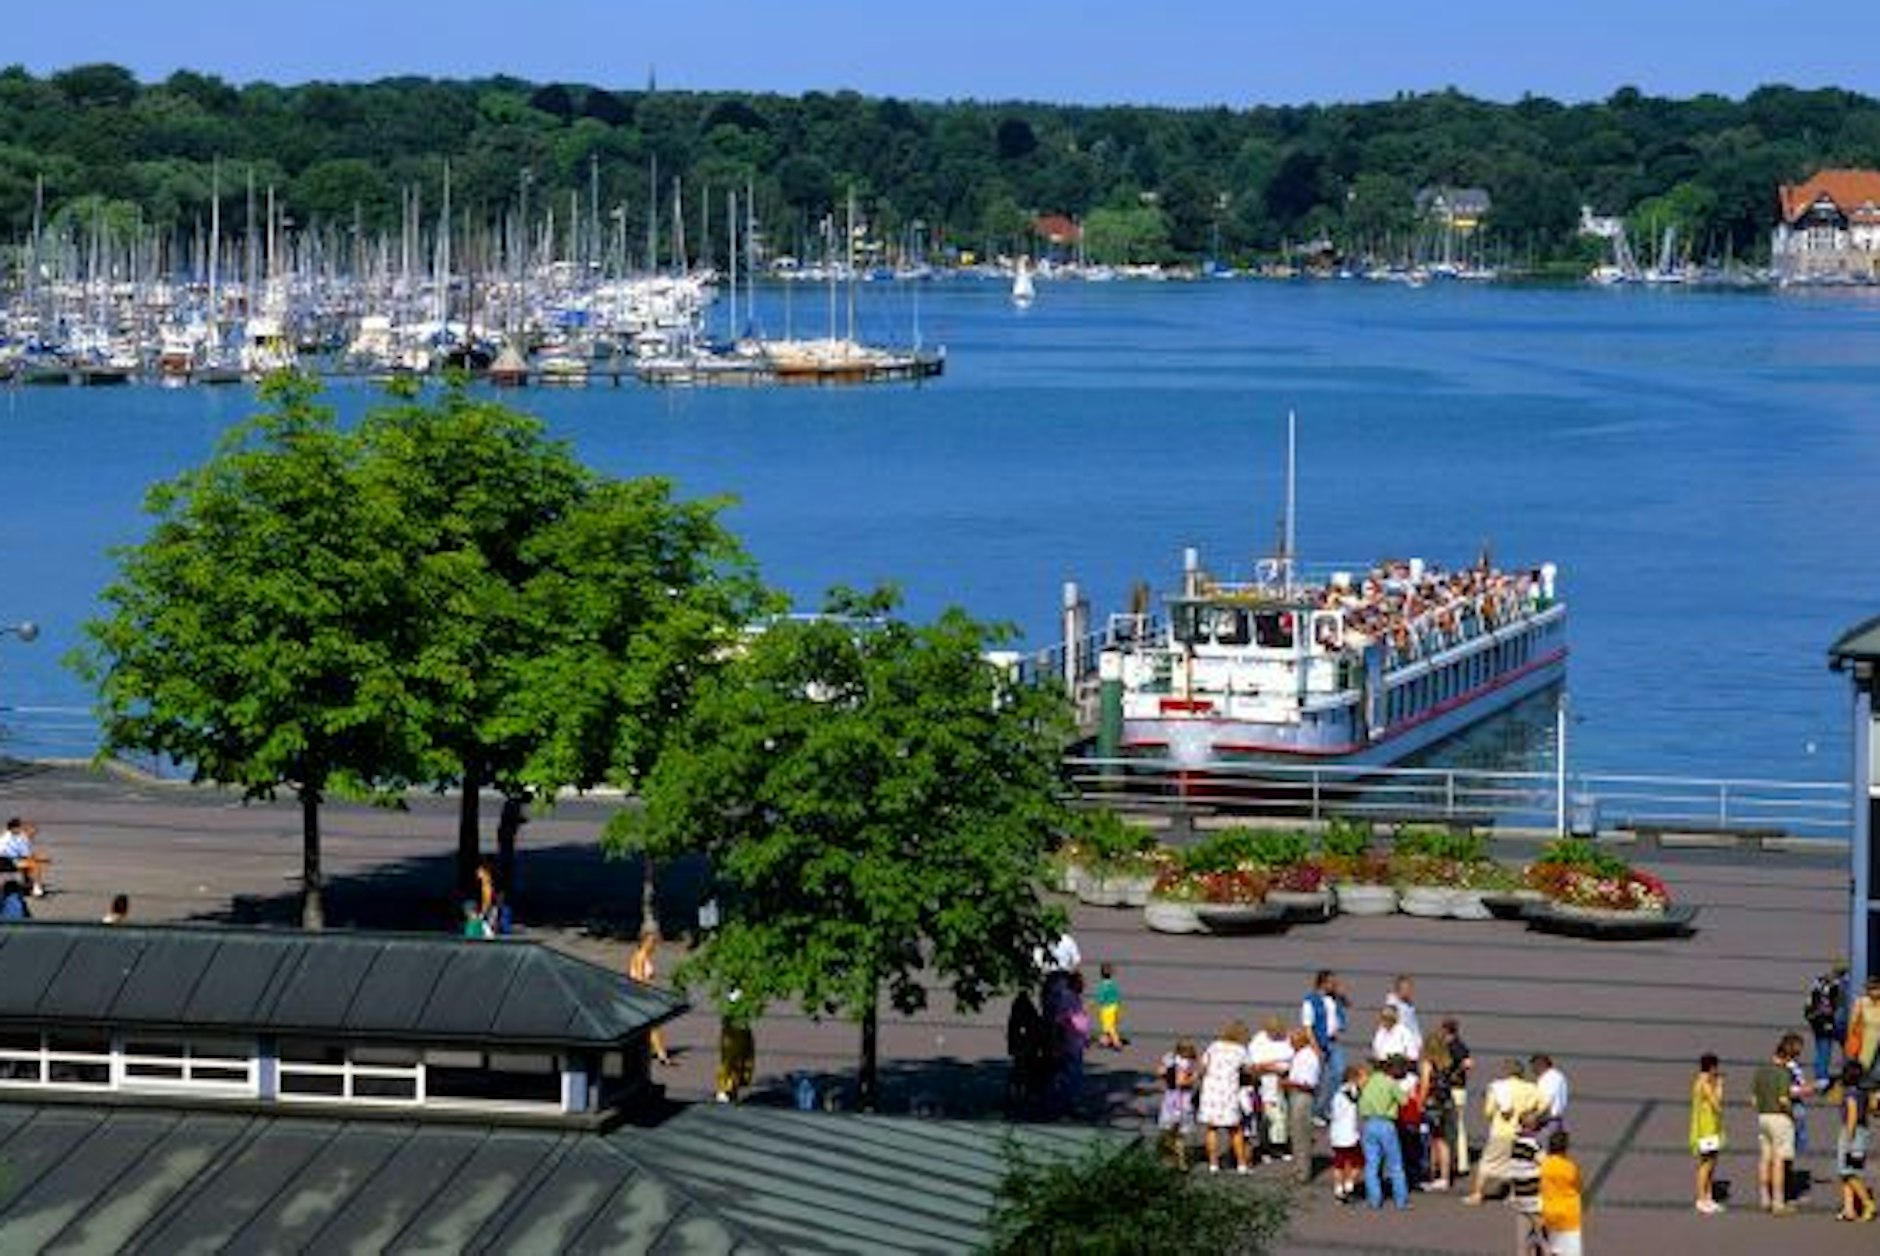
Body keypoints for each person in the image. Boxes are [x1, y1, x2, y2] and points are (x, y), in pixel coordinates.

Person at [1466, 1059, 1541, 1205]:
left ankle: (1477, 1194)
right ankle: (1513, 1195)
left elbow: (1488, 1111)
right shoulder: (1531, 1088)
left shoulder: (1497, 1087)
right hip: (1521, 1131)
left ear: (1506, 1071)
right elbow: (1540, 1104)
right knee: (1515, 1164)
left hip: (1500, 1131)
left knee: (1486, 1163)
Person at [1753, 1033, 1800, 1215]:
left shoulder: (1761, 1071)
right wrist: (1791, 1115)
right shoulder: (1783, 1073)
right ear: (1787, 1056)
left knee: (1765, 1158)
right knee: (1779, 1161)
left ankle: (1764, 1196)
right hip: (1780, 1118)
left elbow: (1753, 1100)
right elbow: (1783, 1099)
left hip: (1763, 1117)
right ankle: (1778, 1201)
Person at [1198, 1021, 1253, 1173]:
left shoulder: (1214, 1046)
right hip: (1229, 1091)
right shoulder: (1241, 1050)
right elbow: (1249, 1069)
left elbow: (1203, 1066)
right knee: (1235, 1129)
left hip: (1210, 1091)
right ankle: (1241, 1165)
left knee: (1212, 1129)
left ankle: (1213, 1164)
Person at [1358, 1054, 1409, 1209]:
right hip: (1386, 1124)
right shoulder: (1391, 1083)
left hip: (1368, 1123)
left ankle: (1374, 1199)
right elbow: (1404, 1101)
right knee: (1395, 1164)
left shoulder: (1369, 1081)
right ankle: (1400, 1200)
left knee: (1371, 1164)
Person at [1247, 1015, 1295, 1158]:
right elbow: (1254, 1065)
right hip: (1265, 1083)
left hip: (1284, 1082)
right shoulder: (1258, 1041)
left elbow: (1292, 1057)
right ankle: (1266, 1147)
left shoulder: (1286, 1038)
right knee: (1266, 1117)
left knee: (1283, 1116)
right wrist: (1272, 1067)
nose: (1276, 1034)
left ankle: (1280, 1146)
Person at [1303, 969, 1347, 1121]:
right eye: (1332, 983)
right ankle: (1316, 1111)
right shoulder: (1310, 1001)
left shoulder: (1334, 998)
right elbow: (1307, 1027)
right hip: (1319, 1042)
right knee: (1320, 1078)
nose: (1334, 985)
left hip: (1333, 1042)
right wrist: (1316, 1049)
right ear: (1323, 983)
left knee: (1338, 1072)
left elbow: (1347, 1005)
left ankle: (1326, 1107)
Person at [628, 925, 673, 1066]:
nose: (654, 945)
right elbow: (640, 979)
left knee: (647, 1028)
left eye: (655, 942)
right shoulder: (640, 957)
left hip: (643, 995)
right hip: (641, 996)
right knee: (653, 1026)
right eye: (652, 942)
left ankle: (655, 1053)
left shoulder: (643, 956)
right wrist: (650, 994)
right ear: (644, 941)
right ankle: (661, 1055)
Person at [1837, 1062, 1877, 1222]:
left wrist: (1848, 1138)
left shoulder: (1850, 1094)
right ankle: (1849, 1209)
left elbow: (1852, 1115)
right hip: (1863, 1131)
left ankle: (1868, 1203)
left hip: (1852, 1133)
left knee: (1848, 1172)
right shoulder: (1863, 1092)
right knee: (1847, 1174)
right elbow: (1872, 1109)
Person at [1284, 1026, 1322, 1184]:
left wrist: (1288, 1083)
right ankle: (1298, 1169)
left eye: (1291, 1041)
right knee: (1296, 1134)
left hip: (1302, 1097)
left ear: (1299, 1041)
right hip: (1296, 1096)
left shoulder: (1308, 1057)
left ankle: (1303, 1174)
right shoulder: (1301, 1054)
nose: (1290, 1044)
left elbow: (1310, 1084)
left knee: (1302, 1136)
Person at [1690, 1052, 1726, 1214]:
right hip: (1706, 1129)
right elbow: (1716, 1105)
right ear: (1712, 1067)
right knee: (1706, 1164)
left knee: (1711, 1163)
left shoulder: (1700, 1081)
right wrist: (1719, 1086)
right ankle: (1701, 1198)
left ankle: (1708, 1197)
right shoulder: (1704, 1083)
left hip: (1708, 1128)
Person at [1539, 1130, 1583, 1256]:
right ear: (1565, 1148)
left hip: (1549, 1214)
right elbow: (1579, 1186)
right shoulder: (1570, 1167)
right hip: (1569, 1217)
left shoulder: (1543, 1165)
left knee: (1554, 1250)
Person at [1156, 1040, 1199, 1167]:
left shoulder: (1170, 1059)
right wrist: (1194, 1077)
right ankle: (1180, 1161)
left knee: (1168, 1131)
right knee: (1179, 1134)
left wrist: (1167, 1076)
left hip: (1170, 1097)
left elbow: (1160, 1071)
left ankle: (1168, 1158)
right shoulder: (1185, 1063)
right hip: (1182, 1100)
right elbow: (1181, 1082)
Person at [1809, 961, 1851, 1089]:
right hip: (1839, 1021)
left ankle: (1821, 1078)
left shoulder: (1819, 981)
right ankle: (1850, 1074)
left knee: (1823, 1049)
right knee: (1849, 1048)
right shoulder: (1847, 983)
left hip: (1821, 1020)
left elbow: (1811, 999)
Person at [1005, 990, 1047, 1115]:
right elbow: (1035, 1028)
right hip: (1027, 1050)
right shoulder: (1027, 1011)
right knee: (1026, 1074)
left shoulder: (1019, 1010)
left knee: (1021, 1074)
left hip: (1024, 1050)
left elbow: (1012, 1030)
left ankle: (1019, 1098)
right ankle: (1025, 1099)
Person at [1329, 1062, 1366, 1202]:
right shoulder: (1353, 1092)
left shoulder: (1338, 1093)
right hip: (1350, 1135)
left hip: (1337, 1136)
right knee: (1359, 1161)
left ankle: (1338, 1187)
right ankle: (1350, 1182)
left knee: (1339, 1163)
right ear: (1354, 1079)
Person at [715, 995, 756, 1104]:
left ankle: (732, 1089)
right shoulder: (729, 1022)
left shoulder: (742, 1023)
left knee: (741, 1061)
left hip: (740, 1035)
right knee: (730, 1061)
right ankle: (724, 1090)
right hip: (733, 1037)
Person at [0, 818, 46, 897]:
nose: (33, 834)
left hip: (9, 860)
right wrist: (41, 859)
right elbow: (26, 855)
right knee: (35, 865)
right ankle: (36, 888)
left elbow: (25, 854)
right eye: (32, 832)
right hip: (8, 861)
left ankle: (27, 885)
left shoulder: (7, 835)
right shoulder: (18, 838)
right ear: (14, 828)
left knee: (27, 864)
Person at [1848, 976, 1880, 1085]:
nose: (1873, 991)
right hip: (1867, 1035)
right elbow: (1853, 1022)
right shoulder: (1861, 1002)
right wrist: (1852, 1039)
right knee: (1864, 1063)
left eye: (1876, 988)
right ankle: (1862, 1084)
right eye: (1871, 989)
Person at [1532, 1054, 1570, 1143]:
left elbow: (1546, 1101)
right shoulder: (1559, 1076)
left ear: (1540, 1065)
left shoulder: (1548, 1078)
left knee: (1540, 1150)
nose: (1533, 1071)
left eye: (1534, 1067)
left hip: (1547, 1122)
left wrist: (1534, 1116)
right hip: (1556, 1120)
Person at [1386, 974, 1423, 1053]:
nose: (1410, 991)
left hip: (1412, 1050)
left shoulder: (1408, 1006)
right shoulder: (1392, 1008)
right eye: (1407, 988)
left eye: (1411, 988)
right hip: (1401, 1051)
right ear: (1399, 989)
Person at [1094, 961, 1126, 1051]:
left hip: (1107, 1009)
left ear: (1101, 974)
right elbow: (1117, 996)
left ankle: (1117, 1043)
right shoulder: (1113, 984)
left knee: (1110, 1028)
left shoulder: (1103, 986)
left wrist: (1095, 1004)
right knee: (1108, 1026)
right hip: (1114, 1006)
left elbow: (1100, 998)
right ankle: (1104, 1041)